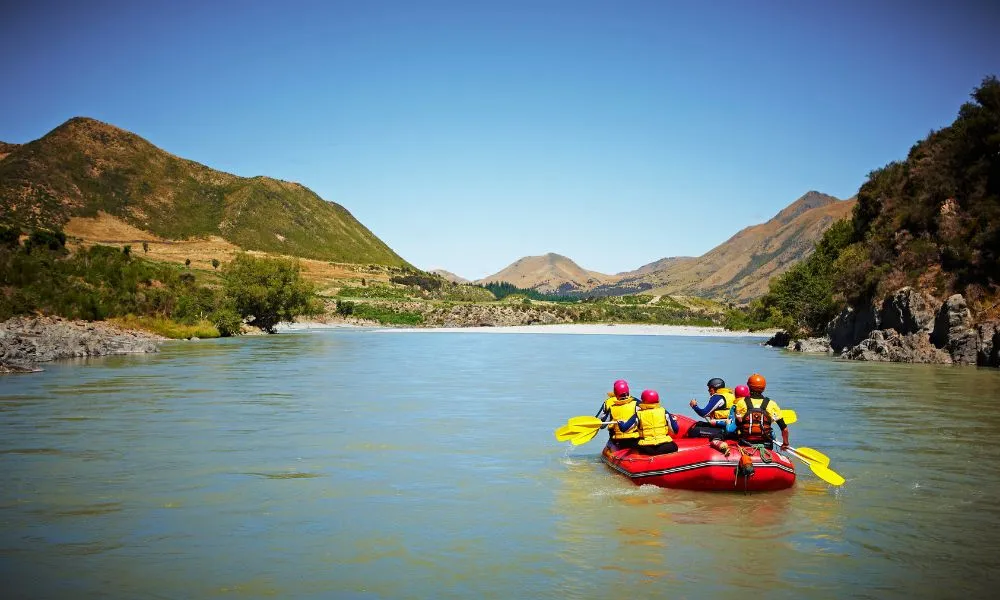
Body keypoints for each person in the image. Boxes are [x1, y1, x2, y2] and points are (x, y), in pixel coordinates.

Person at [728, 374, 789, 451]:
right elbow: (784, 429)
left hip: (745, 443)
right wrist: (785, 444)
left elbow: (738, 423)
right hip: (766, 444)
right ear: (763, 388)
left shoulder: (741, 403)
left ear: (749, 387)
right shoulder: (772, 404)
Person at [618, 389, 678, 455]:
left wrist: (620, 422)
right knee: (675, 447)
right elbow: (675, 430)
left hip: (647, 448)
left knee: (634, 446)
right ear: (657, 400)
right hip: (665, 446)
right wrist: (674, 421)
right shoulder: (664, 412)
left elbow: (624, 429)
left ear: (643, 401)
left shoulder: (638, 414)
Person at [596, 379, 640, 449]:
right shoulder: (637, 403)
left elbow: (602, 426)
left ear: (615, 392)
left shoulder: (611, 406)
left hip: (617, 441)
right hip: (635, 439)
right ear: (628, 391)